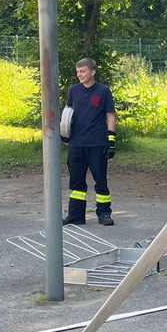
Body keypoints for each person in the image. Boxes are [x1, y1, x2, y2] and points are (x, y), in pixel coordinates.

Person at [62, 58, 118, 226]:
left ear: (92, 72)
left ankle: (104, 214)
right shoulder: (73, 90)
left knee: (100, 179)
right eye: (78, 71)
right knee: (76, 180)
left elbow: (110, 115)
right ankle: (76, 215)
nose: (79, 74)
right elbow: (67, 112)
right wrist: (64, 132)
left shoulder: (103, 91)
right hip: (76, 143)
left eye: (83, 71)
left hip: (96, 142)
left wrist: (111, 138)